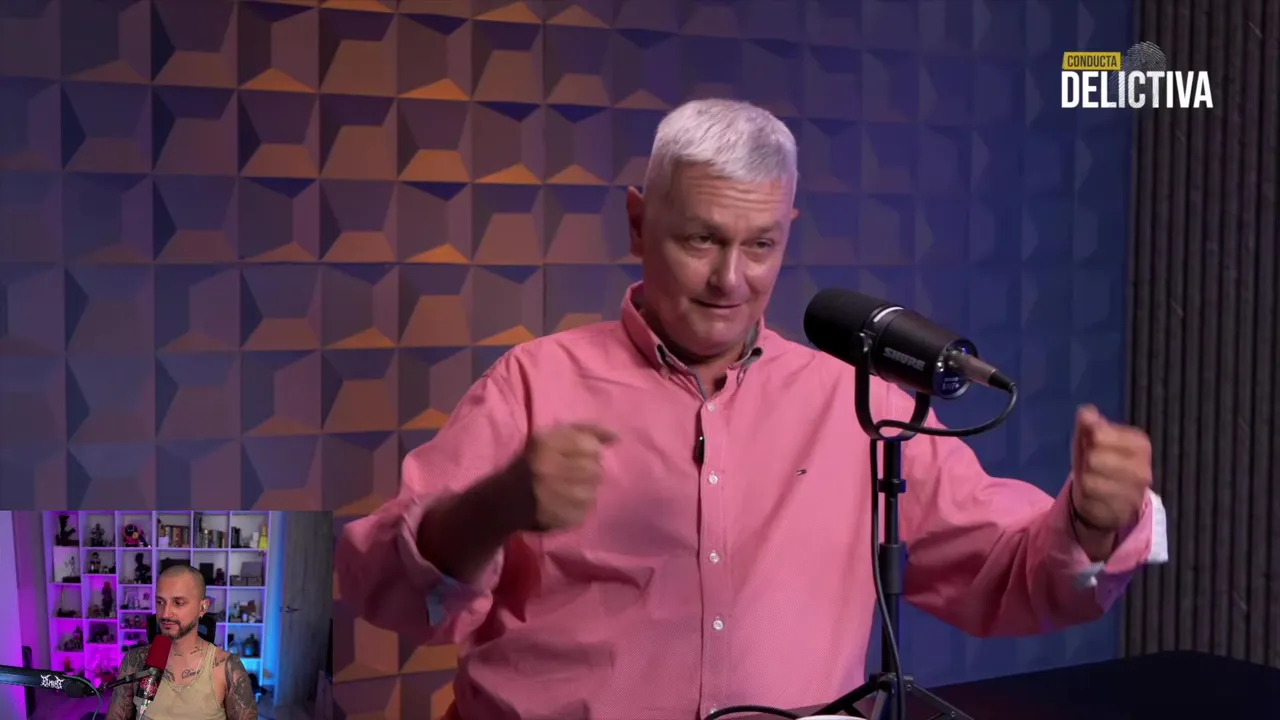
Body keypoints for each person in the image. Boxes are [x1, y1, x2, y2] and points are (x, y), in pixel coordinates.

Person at [337, 98, 1168, 720]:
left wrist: (1091, 524)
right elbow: (385, 591)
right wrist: (494, 507)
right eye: (700, 239)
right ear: (638, 223)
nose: (730, 280)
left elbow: (1010, 573)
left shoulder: (860, 406)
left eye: (761, 244)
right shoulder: (533, 383)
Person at [106, 564, 258, 720]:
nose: (165, 614)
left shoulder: (227, 668)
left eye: (178, 603)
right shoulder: (134, 661)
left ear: (203, 607)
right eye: (160, 602)